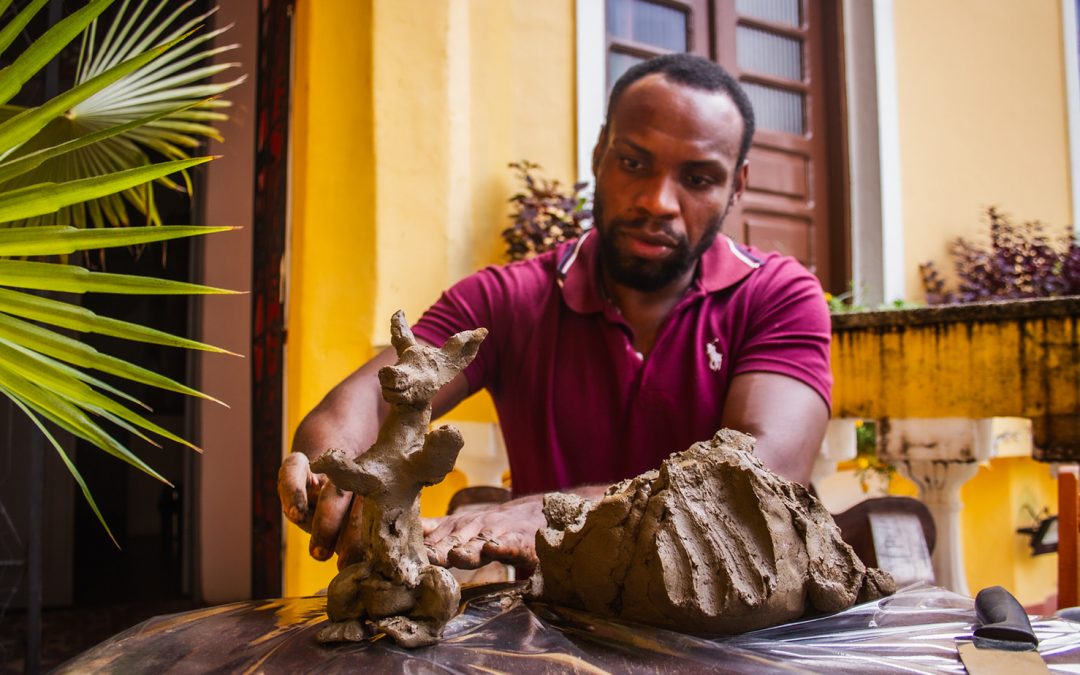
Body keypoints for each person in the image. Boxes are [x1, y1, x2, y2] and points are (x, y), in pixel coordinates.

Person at [278, 53, 832, 574]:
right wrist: (340, 464)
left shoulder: (778, 296)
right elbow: (370, 399)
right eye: (634, 163)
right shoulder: (506, 300)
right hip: (556, 628)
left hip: (727, 627)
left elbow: (763, 478)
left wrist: (556, 511)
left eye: (698, 178)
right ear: (599, 157)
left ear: (736, 186)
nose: (658, 200)